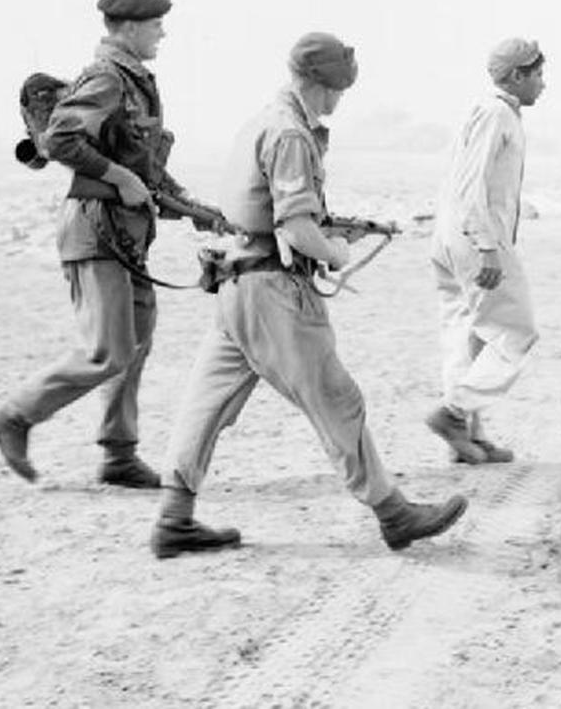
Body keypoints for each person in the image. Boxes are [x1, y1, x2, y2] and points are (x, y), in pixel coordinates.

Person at [150, 32, 469, 557]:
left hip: (235, 286)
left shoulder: (259, 121)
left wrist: (336, 230)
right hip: (274, 293)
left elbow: (263, 214)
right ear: (323, 86)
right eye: (338, 90)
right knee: (337, 399)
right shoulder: (291, 133)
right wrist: (336, 251)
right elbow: (297, 229)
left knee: (205, 403)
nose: (338, 102)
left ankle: (173, 517)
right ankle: (393, 513)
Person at [0, 0, 193, 489]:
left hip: (126, 234)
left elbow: (141, 163)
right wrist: (119, 178)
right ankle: (13, 417)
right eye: (155, 25)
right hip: (96, 228)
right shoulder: (107, 77)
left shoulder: (134, 82)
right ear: (128, 28)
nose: (162, 33)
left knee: (135, 343)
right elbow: (59, 140)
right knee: (108, 351)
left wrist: (192, 205)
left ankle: (119, 454)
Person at [426, 37, 546, 464]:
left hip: (449, 237)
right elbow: (470, 185)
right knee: (516, 331)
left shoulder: (484, 111)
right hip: (475, 240)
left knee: (468, 333)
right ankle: (455, 413)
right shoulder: (497, 113)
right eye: (537, 75)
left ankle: (468, 435)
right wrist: (487, 247)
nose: (543, 85)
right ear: (517, 76)